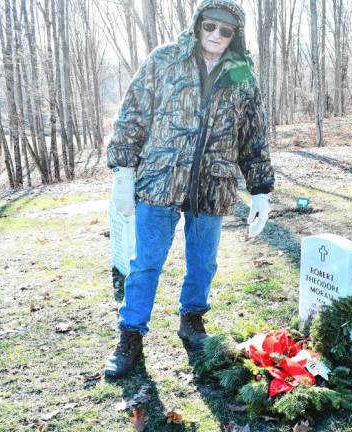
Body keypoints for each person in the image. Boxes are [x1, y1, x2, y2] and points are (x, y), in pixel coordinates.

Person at [104, 0, 274, 379]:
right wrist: (122, 171)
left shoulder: (243, 76)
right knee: (146, 263)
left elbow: (254, 137)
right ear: (198, 25)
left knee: (204, 263)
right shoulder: (165, 60)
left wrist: (261, 189)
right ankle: (130, 336)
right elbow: (133, 113)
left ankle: (192, 322)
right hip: (161, 181)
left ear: (235, 36)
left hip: (212, 186)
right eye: (210, 26)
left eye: (225, 30)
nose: (216, 35)